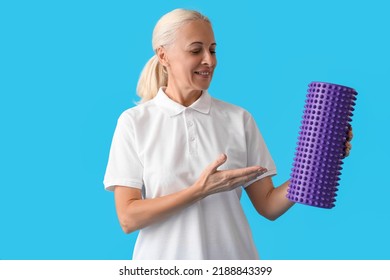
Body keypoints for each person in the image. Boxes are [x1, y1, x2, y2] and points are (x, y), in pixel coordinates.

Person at [103, 8, 353, 260]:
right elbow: (128, 217)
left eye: (212, 50)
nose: (209, 60)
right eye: (195, 50)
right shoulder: (135, 122)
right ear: (163, 55)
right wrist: (199, 190)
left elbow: (268, 205)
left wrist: (323, 160)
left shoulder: (238, 119)